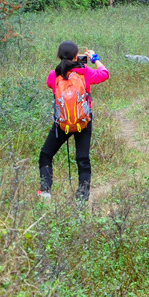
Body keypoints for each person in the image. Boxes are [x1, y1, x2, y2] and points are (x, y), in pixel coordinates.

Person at [39, 40, 109, 201]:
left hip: (62, 124)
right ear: (77, 56)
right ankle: (82, 198)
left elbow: (50, 85)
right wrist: (95, 59)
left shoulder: (53, 75)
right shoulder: (85, 72)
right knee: (83, 159)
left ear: (59, 56)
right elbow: (104, 74)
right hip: (83, 122)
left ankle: (45, 192)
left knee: (46, 155)